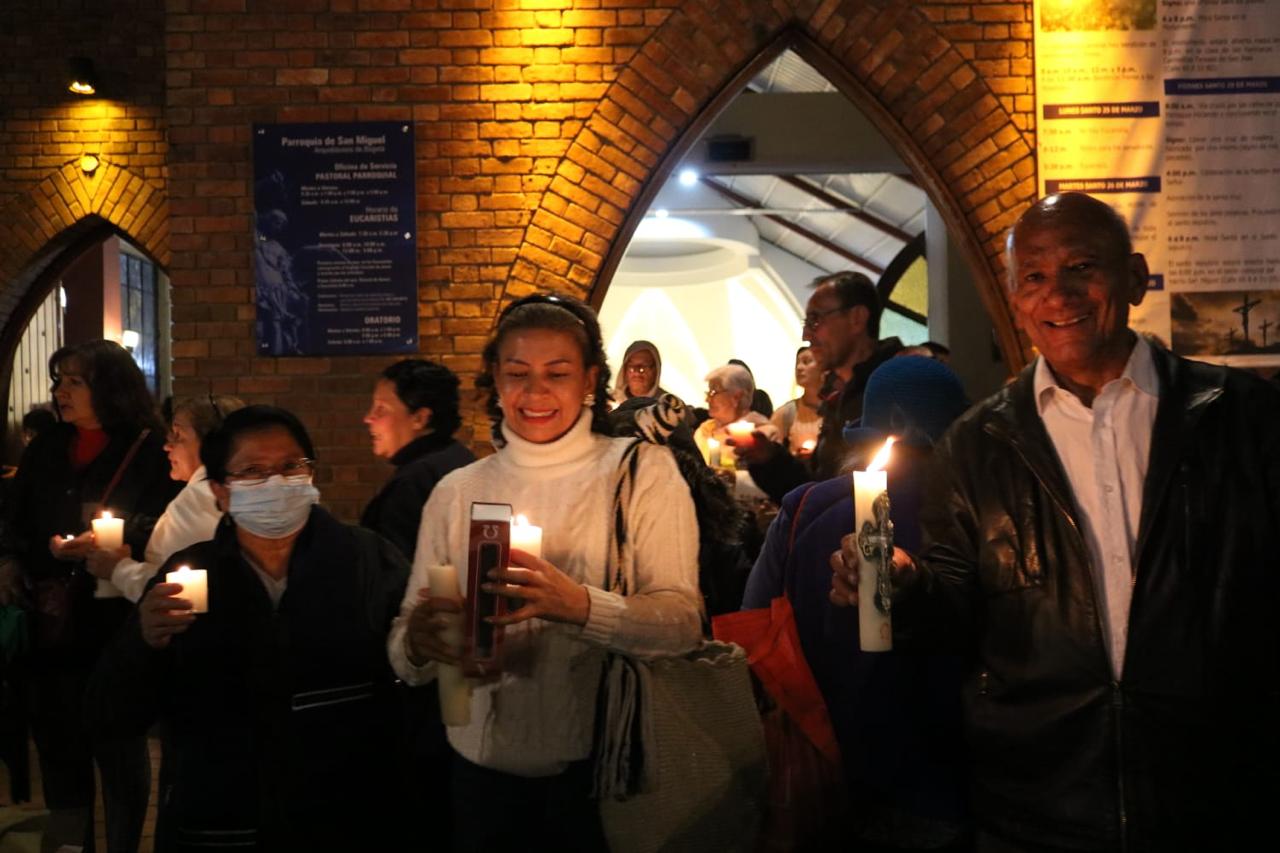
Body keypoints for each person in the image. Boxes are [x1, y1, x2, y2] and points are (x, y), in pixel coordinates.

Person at [832, 192, 1280, 851]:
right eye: (1035, 276)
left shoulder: (1239, 416)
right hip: (1039, 802)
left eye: (1081, 267)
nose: (1058, 294)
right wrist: (905, 586)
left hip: (1217, 792)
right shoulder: (976, 445)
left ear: (1134, 277)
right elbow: (955, 608)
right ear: (1016, 299)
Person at [387, 293, 702, 851]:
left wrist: (578, 605)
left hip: (598, 778)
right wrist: (416, 642)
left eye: (557, 373)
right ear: (495, 379)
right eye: (517, 374)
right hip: (478, 773)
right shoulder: (458, 491)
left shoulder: (641, 473)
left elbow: (682, 624)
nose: (535, 393)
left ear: (589, 380)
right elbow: (407, 634)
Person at [86, 405, 411, 851]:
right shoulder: (190, 573)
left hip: (346, 818)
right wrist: (144, 640)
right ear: (220, 491)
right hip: (220, 826)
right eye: (253, 471)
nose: (276, 483)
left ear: (311, 475)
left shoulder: (368, 562)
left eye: (291, 466)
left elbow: (409, 677)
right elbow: (113, 711)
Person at [744, 356, 971, 851]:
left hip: (822, 765)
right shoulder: (977, 520)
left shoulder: (805, 508)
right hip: (943, 777)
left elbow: (755, 620)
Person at [2, 339, 177, 853]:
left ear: (111, 387)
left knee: (118, 741)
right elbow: (14, 516)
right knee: (58, 743)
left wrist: (118, 540)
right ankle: (69, 845)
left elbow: (165, 525)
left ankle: (122, 845)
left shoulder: (148, 449)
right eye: (59, 381)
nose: (61, 392)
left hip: (114, 619)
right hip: (52, 618)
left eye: (75, 382)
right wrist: (9, 560)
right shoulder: (47, 446)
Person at [736, 271, 903, 501]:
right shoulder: (838, 394)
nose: (806, 335)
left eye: (815, 320)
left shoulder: (899, 386)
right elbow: (819, 487)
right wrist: (768, 459)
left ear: (857, 318)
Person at [85, 394, 245, 602]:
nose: (167, 446)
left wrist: (118, 569)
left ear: (211, 443)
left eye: (178, 436)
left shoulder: (199, 497)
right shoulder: (226, 489)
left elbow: (183, 588)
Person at [361, 358, 475, 560]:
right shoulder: (458, 457)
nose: (368, 418)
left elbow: (392, 568)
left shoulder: (414, 482)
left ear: (419, 418)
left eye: (381, 409)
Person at [693, 363, 770, 466]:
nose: (707, 399)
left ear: (737, 397)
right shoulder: (704, 431)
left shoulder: (761, 433)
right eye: (708, 392)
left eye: (713, 392)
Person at [768, 346, 823, 459]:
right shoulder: (786, 413)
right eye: (797, 363)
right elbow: (771, 455)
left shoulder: (836, 410)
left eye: (806, 362)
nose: (799, 367)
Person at [611, 339, 667, 403]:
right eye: (631, 366)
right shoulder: (610, 403)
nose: (637, 372)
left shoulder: (667, 405)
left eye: (644, 366)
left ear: (656, 370)